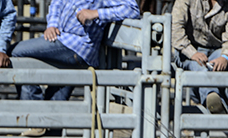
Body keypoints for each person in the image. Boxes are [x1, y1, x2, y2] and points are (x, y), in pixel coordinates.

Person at [8, 0, 140, 104]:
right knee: (55, 102)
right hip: (63, 40)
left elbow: (132, 9)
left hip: (78, 46)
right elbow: (57, 2)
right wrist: (52, 25)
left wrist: (96, 13)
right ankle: (46, 127)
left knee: (16, 52)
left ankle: (33, 112)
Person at [171, 0, 228, 115]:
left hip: (216, 50)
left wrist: (225, 57)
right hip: (188, 50)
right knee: (198, 65)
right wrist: (192, 53)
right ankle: (213, 100)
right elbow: (176, 31)